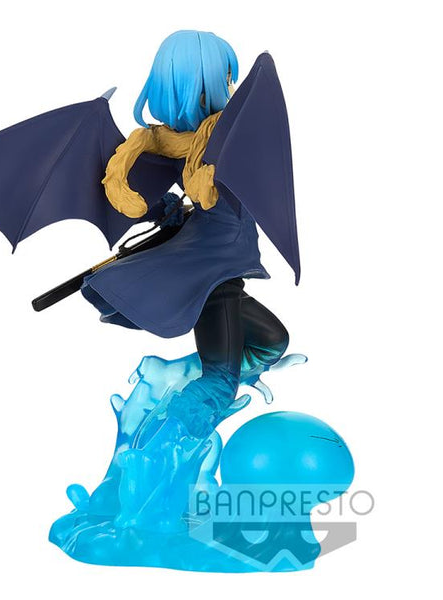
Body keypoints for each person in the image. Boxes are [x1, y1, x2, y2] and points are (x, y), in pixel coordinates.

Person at [80, 30, 290, 437]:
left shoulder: (192, 140)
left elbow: (169, 193)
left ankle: (178, 378)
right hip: (214, 269)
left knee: (273, 341)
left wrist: (170, 210)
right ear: (202, 87)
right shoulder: (216, 139)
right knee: (220, 382)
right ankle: (167, 435)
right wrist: (168, 208)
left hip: (215, 253)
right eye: (226, 78)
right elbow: (192, 192)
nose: (231, 86)